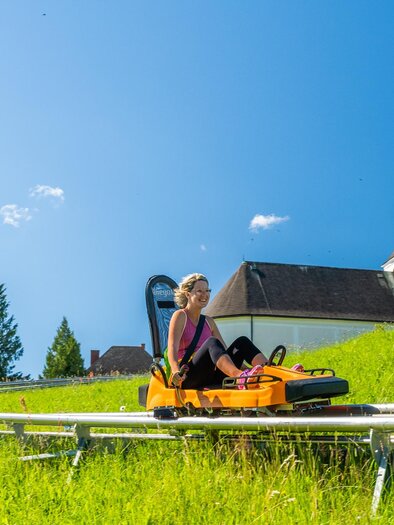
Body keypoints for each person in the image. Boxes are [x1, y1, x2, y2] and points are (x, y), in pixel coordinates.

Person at [167, 273, 270, 389]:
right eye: (199, 291)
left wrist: (251, 371)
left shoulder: (209, 322)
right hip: (188, 377)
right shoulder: (180, 316)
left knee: (242, 342)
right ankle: (240, 378)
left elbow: (224, 354)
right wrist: (176, 371)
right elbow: (172, 348)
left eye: (207, 290)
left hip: (211, 375)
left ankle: (271, 373)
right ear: (187, 294)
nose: (205, 295)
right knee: (212, 342)